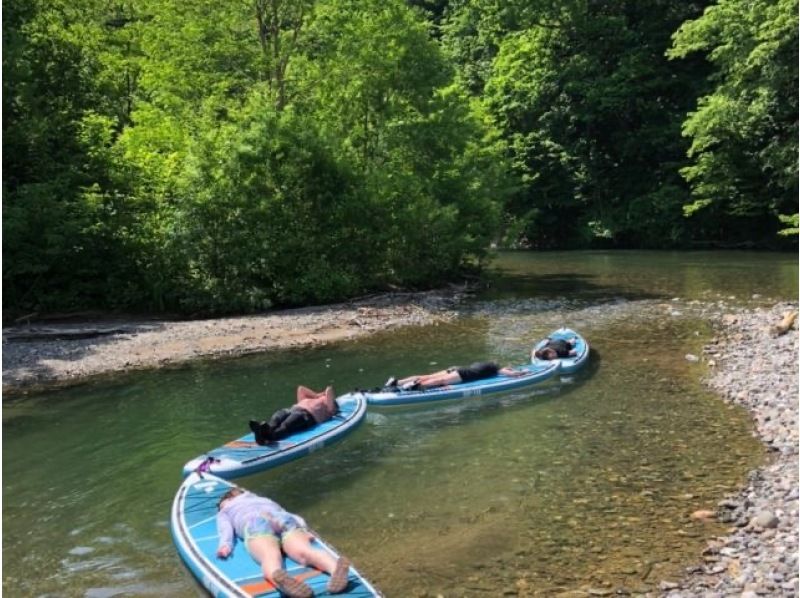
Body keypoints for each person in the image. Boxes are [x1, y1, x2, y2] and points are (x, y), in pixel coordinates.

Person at [216, 487, 351, 598]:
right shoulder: (264, 500)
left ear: (228, 500)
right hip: (280, 517)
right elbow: (291, 515)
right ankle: (334, 568)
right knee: (305, 552)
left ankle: (280, 580)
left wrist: (225, 546)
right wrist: (304, 529)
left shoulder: (225, 510)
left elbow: (225, 529)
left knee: (270, 556)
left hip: (255, 522)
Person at [249, 386, 338, 445]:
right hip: (292, 409)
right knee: (277, 417)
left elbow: (329, 389)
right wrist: (316, 395)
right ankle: (262, 433)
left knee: (286, 425)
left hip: (306, 416)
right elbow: (300, 389)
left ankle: (268, 436)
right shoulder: (308, 399)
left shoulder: (330, 410)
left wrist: (324, 395)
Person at [384, 361, 525, 391]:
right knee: (439, 381)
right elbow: (506, 373)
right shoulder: (496, 369)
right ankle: (415, 386)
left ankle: (397, 382)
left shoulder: (486, 364)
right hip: (464, 374)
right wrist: (519, 374)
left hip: (457, 368)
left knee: (426, 376)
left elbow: (505, 370)